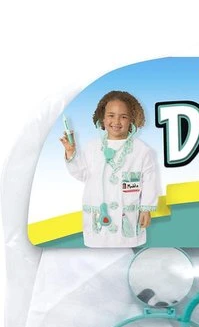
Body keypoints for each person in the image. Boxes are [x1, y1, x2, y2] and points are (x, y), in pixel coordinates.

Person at [61, 90, 160, 248]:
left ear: (132, 119)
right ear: (103, 117)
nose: (116, 121)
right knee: (99, 253)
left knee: (127, 252)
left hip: (128, 220)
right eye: (111, 115)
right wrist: (71, 153)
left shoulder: (142, 151)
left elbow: (150, 181)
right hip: (99, 222)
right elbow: (82, 174)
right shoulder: (92, 147)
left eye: (123, 116)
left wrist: (146, 209)